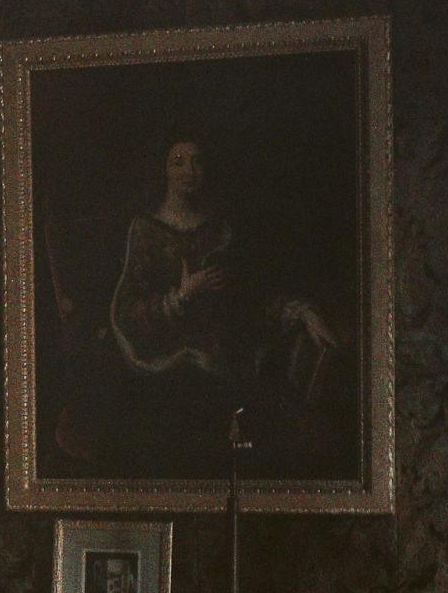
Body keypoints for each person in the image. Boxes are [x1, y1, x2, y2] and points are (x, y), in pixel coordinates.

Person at [106, 138, 339, 469]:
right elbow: (127, 315)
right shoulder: (145, 231)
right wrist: (182, 296)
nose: (189, 171)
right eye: (178, 162)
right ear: (164, 170)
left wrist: (300, 312)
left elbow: (247, 300)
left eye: (197, 161)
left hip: (226, 356)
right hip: (167, 366)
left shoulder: (220, 230)